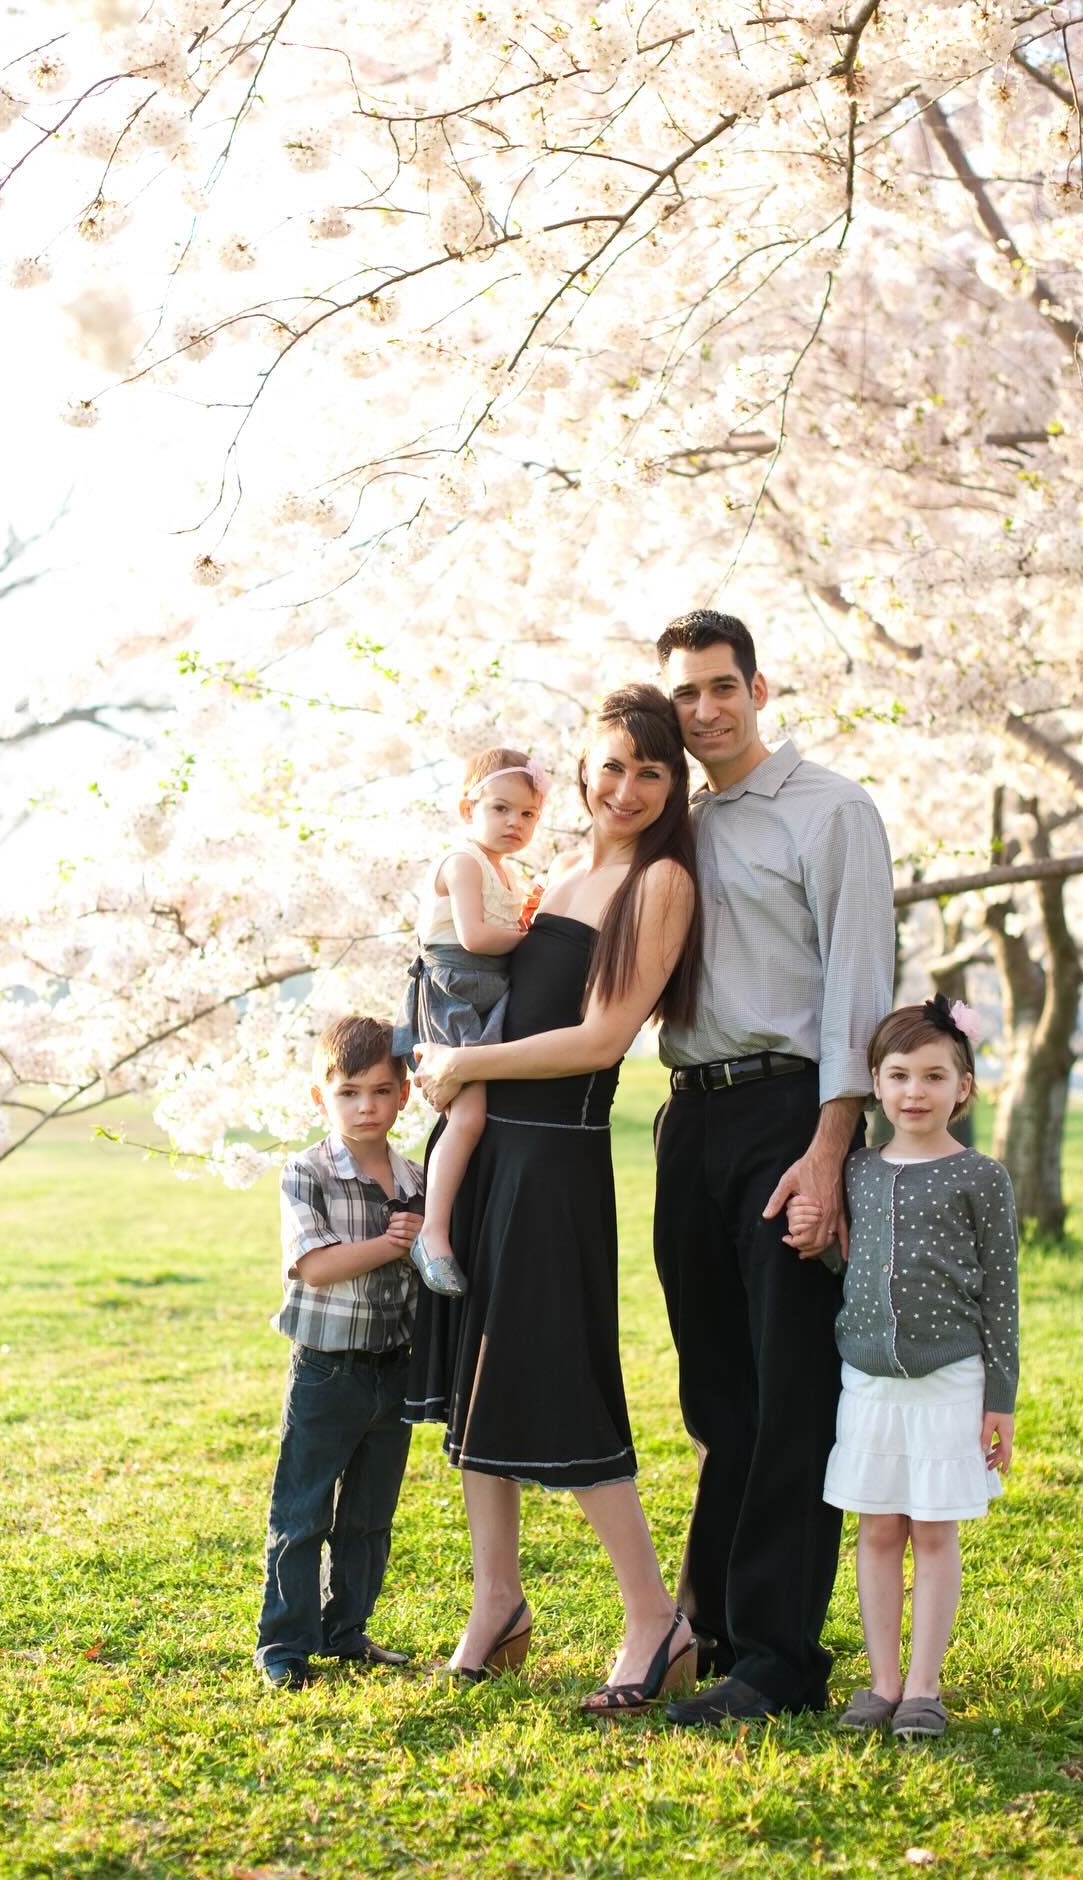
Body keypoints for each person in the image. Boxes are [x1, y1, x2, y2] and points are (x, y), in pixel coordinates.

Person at [409, 684, 704, 1714]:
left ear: (674, 786)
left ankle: (653, 1617)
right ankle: (498, 1604)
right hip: (490, 1147)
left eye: (651, 772)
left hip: (559, 1157)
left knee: (563, 1382)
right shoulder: (557, 868)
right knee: (475, 1380)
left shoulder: (659, 884)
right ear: (585, 769)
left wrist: (466, 1063)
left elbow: (600, 1040)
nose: (626, 789)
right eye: (612, 767)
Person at [651, 609, 896, 1729]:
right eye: (685, 694)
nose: (704, 710)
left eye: (720, 688)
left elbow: (858, 986)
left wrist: (831, 1151)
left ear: (759, 687)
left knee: (791, 1390)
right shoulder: (678, 824)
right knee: (719, 1397)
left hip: (790, 1111)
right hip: (688, 1117)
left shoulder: (830, 810)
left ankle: (782, 1661)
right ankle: (713, 1632)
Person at [786, 995, 1019, 1741]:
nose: (914, 1092)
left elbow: (1002, 1295)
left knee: (933, 1532)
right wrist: (810, 1234)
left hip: (950, 1380)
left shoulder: (981, 1178)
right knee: (878, 1529)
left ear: (964, 1088)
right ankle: (882, 1682)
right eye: (898, 1076)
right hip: (870, 1382)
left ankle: (924, 1685)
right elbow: (838, 1259)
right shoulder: (855, 1169)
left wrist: (1000, 1399)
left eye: (933, 1076)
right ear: (875, 1086)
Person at [255, 1015, 425, 1691]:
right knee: (302, 1513)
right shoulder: (308, 1172)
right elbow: (316, 1266)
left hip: (396, 1369)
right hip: (328, 1370)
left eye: (381, 1091)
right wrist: (392, 1243)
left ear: (404, 1094)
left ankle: (345, 1631)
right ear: (321, 1096)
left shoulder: (415, 1175)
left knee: (368, 1518)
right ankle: (285, 1646)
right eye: (349, 1092)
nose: (366, 1107)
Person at [392, 746, 548, 1298]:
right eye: (501, 809)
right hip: (454, 991)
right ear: (467, 810)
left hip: (489, 993)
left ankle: (462, 1215)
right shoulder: (462, 862)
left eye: (528, 814)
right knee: (471, 1115)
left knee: (486, 1110)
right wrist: (538, 941)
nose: (515, 823)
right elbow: (476, 938)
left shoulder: (507, 872)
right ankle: (432, 1235)